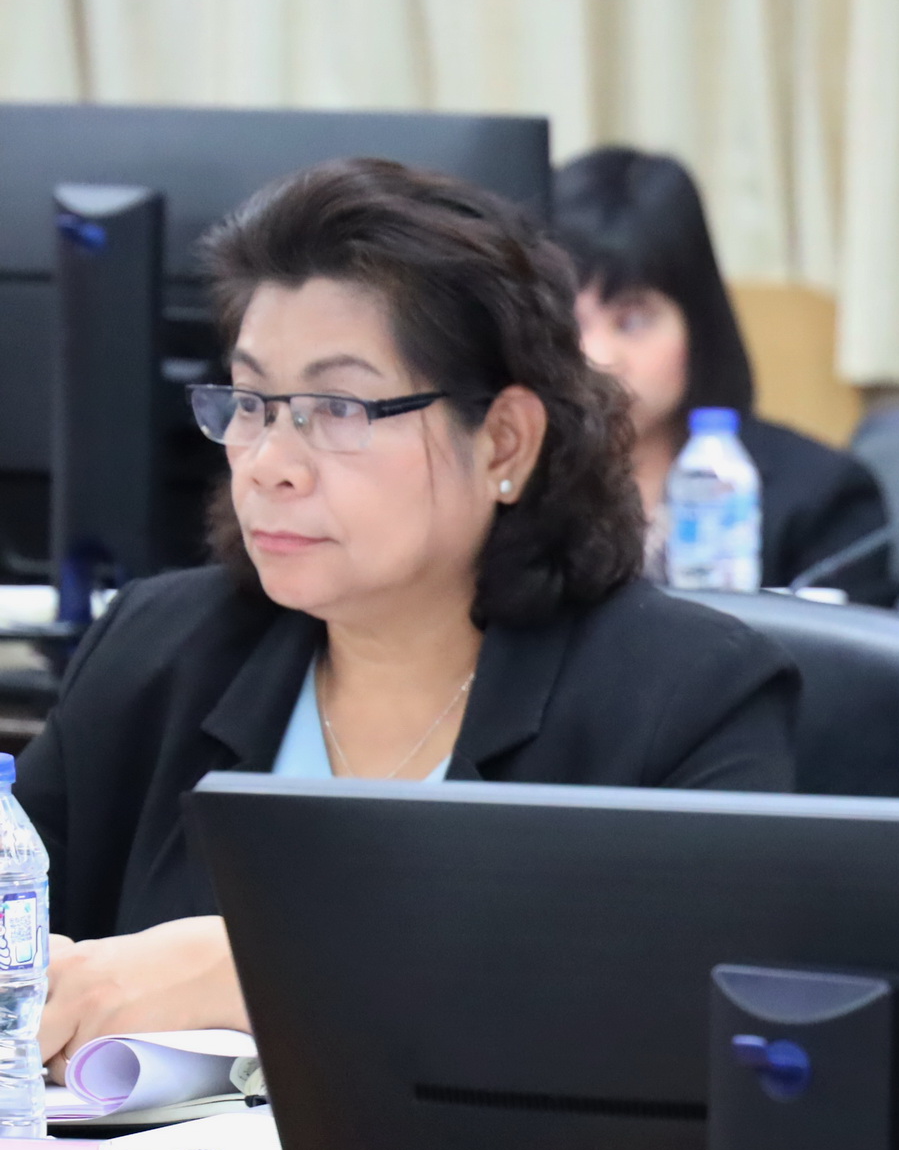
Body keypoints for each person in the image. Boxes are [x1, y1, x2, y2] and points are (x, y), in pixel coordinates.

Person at [16, 158, 799, 1067]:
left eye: (337, 408)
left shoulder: (686, 699)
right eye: (252, 403)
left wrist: (251, 968)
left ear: (504, 441)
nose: (270, 464)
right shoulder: (155, 651)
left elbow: (689, 1035)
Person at [553, 147, 895, 605]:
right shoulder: (510, 491)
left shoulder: (821, 500)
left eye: (633, 321)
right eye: (571, 324)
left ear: (698, 324)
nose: (599, 357)